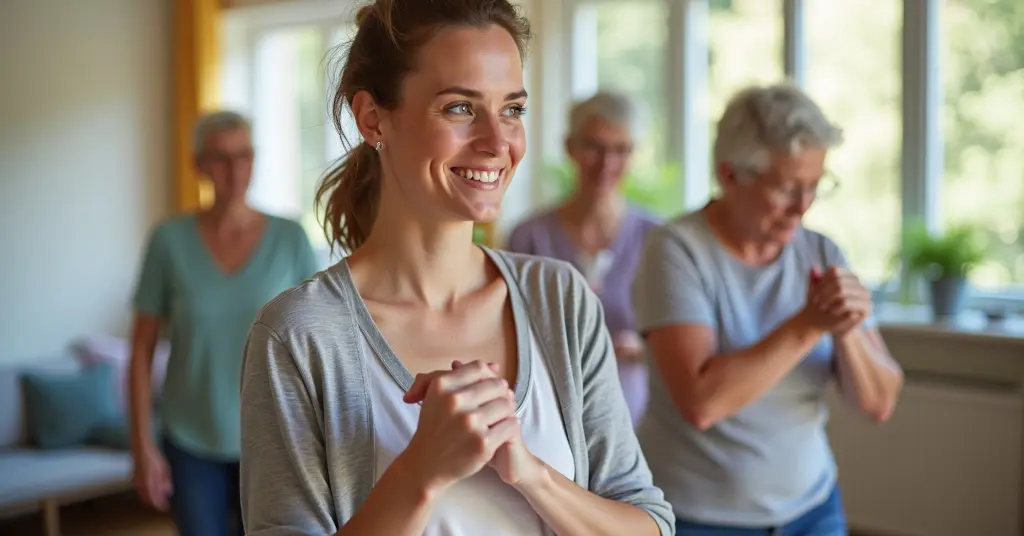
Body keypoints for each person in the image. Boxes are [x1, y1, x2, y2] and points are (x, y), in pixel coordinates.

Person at [237, 1, 674, 535]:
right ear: (373, 118)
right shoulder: (298, 336)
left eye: (512, 109)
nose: (498, 143)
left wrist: (530, 473)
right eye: (460, 109)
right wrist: (421, 472)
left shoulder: (559, 297)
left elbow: (649, 524)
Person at [632, 83, 904, 536]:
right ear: (729, 174)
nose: (802, 207)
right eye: (785, 187)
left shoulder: (821, 253)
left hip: (813, 509)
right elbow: (702, 403)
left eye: (815, 186)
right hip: (697, 517)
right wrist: (809, 323)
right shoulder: (676, 250)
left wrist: (846, 328)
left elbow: (878, 403)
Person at [128, 111, 320, 536]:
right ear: (198, 164)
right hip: (190, 439)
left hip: (276, 438)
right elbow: (140, 350)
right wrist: (142, 446)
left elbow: (317, 340)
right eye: (220, 157)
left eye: (244, 155)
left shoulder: (290, 239)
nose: (235, 169)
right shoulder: (169, 241)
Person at [506, 91, 660, 427]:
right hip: (550, 417)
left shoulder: (656, 238)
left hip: (635, 422)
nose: (607, 163)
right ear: (569, 147)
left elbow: (681, 343)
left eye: (621, 150)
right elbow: (509, 337)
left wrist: (640, 349)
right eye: (595, 147)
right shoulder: (529, 236)